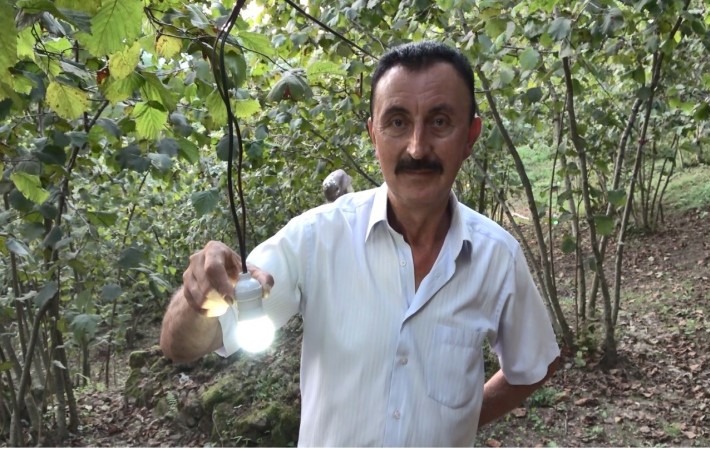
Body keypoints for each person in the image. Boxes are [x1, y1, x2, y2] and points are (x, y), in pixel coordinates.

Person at [160, 41, 561, 447]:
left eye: (440, 122)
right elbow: (182, 345)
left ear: (470, 136)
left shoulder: (496, 257)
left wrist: (461, 421)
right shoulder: (317, 238)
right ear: (373, 134)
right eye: (397, 122)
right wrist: (198, 299)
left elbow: (534, 364)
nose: (417, 147)